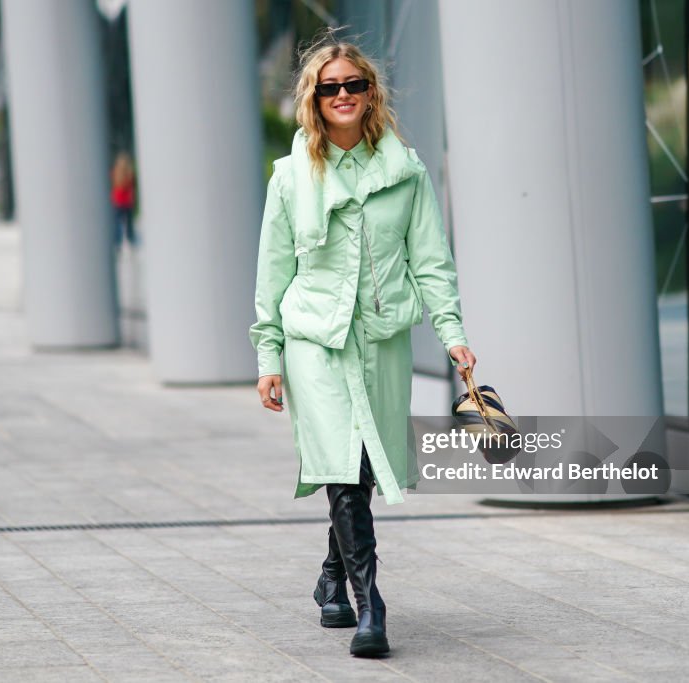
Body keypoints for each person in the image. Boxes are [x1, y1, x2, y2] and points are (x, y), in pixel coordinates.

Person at [249, 36, 476, 658]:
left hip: (381, 340)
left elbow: (432, 263)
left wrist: (453, 336)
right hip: (314, 341)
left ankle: (331, 576)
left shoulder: (406, 171)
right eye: (330, 87)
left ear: (370, 93)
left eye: (354, 85)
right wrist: (269, 358)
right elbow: (272, 275)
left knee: (363, 466)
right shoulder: (291, 177)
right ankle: (371, 603)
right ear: (314, 100)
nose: (343, 95)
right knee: (341, 467)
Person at [110, 152, 137, 250]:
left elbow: (113, 183)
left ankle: (118, 242)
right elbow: (132, 184)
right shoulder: (129, 173)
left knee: (118, 223)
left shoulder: (115, 171)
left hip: (117, 201)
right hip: (127, 201)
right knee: (129, 223)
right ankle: (131, 240)